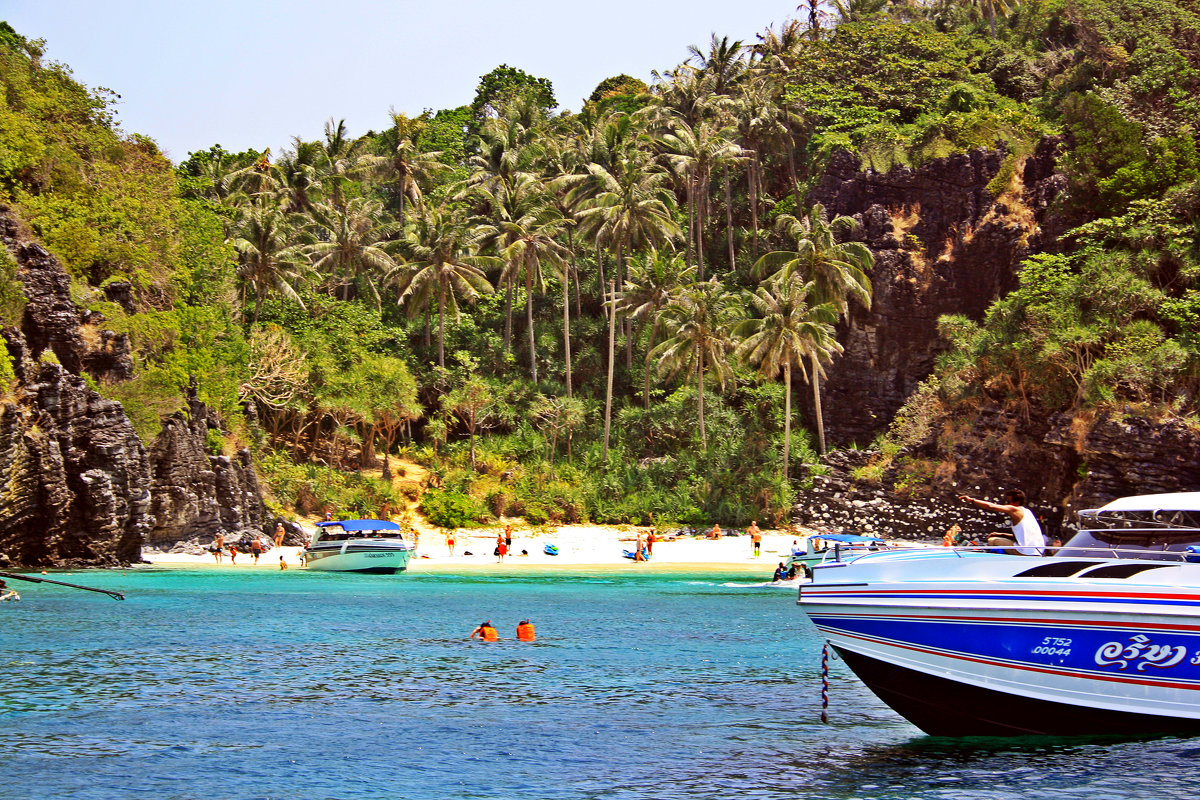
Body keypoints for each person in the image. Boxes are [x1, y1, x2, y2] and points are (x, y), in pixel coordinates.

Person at [959, 489, 1046, 555]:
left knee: (992, 541)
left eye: (1008, 501)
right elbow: (1021, 537)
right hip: (1037, 552)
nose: (1006, 504)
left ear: (1016, 502)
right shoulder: (1028, 512)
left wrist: (971, 500)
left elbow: (991, 506)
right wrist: (1000, 534)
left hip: (1025, 552)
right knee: (998, 538)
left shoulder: (1014, 509)